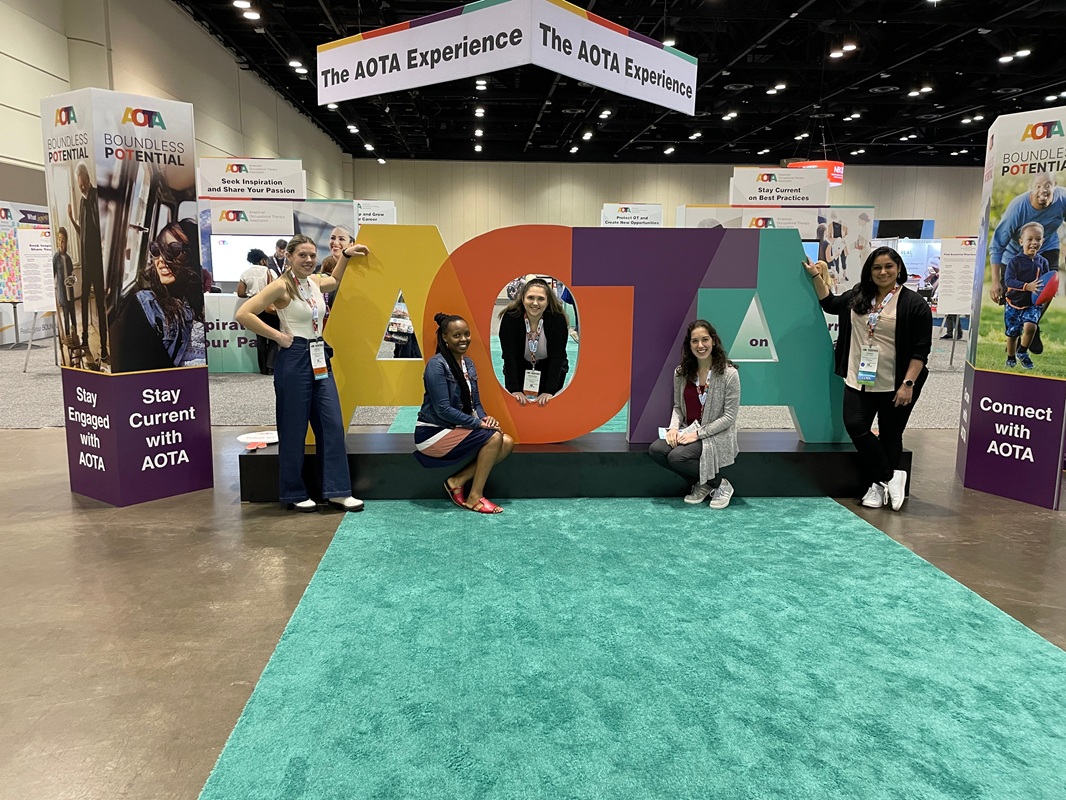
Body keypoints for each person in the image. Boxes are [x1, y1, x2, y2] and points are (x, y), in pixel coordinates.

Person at [236, 235, 370, 512]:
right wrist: (278, 336)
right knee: (294, 427)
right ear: (289, 257)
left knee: (332, 424)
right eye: (302, 256)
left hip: (320, 355)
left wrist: (345, 255)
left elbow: (335, 280)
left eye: (312, 255)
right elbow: (244, 313)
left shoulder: (316, 281)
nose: (308, 260)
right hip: (294, 356)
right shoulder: (280, 286)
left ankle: (337, 490)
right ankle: (294, 492)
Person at [805, 246, 932, 512]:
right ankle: (891, 475)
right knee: (855, 425)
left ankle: (877, 485)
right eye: (877, 267)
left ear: (899, 269)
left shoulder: (914, 304)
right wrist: (817, 276)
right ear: (869, 271)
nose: (883, 272)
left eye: (889, 266)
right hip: (858, 377)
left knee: (890, 434)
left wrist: (908, 384)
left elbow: (921, 350)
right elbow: (830, 303)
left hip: (896, 382)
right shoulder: (859, 295)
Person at [415, 313, 514, 514]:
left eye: (466, 334)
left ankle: (457, 481)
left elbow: (475, 403)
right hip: (432, 433)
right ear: (445, 338)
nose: (463, 339)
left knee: (507, 442)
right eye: (456, 335)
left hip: (454, 428)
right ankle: (475, 497)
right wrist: (478, 425)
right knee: (494, 438)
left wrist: (484, 417)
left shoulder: (468, 363)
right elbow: (443, 409)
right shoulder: (437, 365)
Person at [648, 320, 741, 509]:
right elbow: (677, 407)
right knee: (657, 450)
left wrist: (697, 435)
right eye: (695, 341)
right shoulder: (681, 372)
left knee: (677, 457)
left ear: (713, 341)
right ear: (689, 345)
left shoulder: (729, 374)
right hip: (688, 430)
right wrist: (673, 429)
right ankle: (704, 484)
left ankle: (721, 485)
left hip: (714, 435)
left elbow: (729, 417)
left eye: (705, 339)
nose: (700, 345)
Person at [109, 219, 207, 372]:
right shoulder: (147, 304)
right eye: (156, 250)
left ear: (194, 254)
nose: (161, 259)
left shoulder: (209, 299)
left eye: (174, 250)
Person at [989, 171, 1066, 354]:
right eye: (1038, 186)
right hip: (1014, 254)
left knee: (1049, 285)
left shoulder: (1063, 199)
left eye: (1047, 185)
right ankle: (1022, 327)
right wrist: (994, 282)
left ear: (1055, 185)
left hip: (1047, 247)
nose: (1043, 190)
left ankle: (1033, 323)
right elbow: (998, 245)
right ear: (1031, 188)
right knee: (1014, 297)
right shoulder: (1018, 208)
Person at [497, 277, 570, 406]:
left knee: (546, 407)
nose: (535, 303)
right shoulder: (511, 317)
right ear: (523, 299)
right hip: (519, 367)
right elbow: (509, 355)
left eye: (541, 299)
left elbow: (557, 357)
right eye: (530, 298)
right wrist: (515, 389)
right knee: (518, 406)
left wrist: (549, 390)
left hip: (550, 369)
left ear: (548, 302)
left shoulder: (557, 319)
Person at [68, 163, 108, 365]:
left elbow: (101, 227)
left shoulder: (95, 197)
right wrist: (71, 220)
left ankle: (104, 347)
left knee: (100, 305)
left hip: (98, 263)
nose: (82, 188)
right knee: (83, 301)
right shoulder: (82, 202)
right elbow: (82, 233)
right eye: (79, 186)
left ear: (88, 179)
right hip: (86, 263)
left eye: (83, 184)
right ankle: (84, 339)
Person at [1003, 222, 1049, 370]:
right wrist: (1026, 286)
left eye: (1038, 239)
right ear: (1021, 241)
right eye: (1030, 239)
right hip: (1014, 302)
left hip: (1032, 303)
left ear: (1042, 241)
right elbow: (1009, 280)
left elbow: (1047, 280)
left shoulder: (1043, 262)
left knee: (1031, 327)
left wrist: (1049, 290)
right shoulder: (1015, 261)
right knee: (1013, 333)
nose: (1034, 242)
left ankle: (1022, 352)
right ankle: (1011, 356)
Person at [238, 248, 280, 375]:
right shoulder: (269, 272)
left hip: (253, 308)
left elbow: (240, 293)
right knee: (273, 336)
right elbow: (276, 288)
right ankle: (271, 367)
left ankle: (262, 368)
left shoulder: (245, 273)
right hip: (268, 305)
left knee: (260, 337)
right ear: (263, 260)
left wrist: (252, 294)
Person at [52, 226, 78, 348]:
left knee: (73, 313)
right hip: (63, 293)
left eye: (63, 240)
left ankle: (75, 335)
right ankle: (67, 336)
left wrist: (73, 279)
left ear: (66, 242)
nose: (61, 243)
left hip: (70, 292)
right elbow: (53, 275)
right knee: (66, 314)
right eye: (59, 240)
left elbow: (71, 273)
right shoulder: (55, 258)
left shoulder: (68, 259)